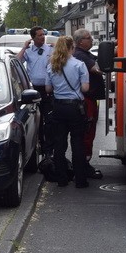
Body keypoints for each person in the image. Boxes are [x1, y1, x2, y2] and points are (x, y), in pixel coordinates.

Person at [45, 36, 90, 188]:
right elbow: (85, 88)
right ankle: (80, 180)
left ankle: (61, 179)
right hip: (75, 108)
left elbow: (48, 89)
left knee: (59, 143)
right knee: (77, 143)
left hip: (58, 107)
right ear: (72, 47)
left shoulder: (52, 65)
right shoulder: (79, 65)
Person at [72, 28, 105, 180]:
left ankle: (84, 164)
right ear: (80, 42)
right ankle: (84, 166)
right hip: (86, 100)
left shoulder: (83, 54)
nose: (91, 40)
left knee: (88, 133)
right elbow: (97, 70)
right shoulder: (80, 55)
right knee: (87, 133)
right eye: (88, 38)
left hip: (90, 99)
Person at [17, 26, 55, 154]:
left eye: (43, 34)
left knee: (49, 121)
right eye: (39, 35)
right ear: (33, 38)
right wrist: (24, 47)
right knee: (35, 120)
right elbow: (17, 61)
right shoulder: (28, 51)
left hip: (48, 89)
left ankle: (48, 148)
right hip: (33, 90)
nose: (43, 37)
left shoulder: (50, 49)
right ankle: (38, 144)